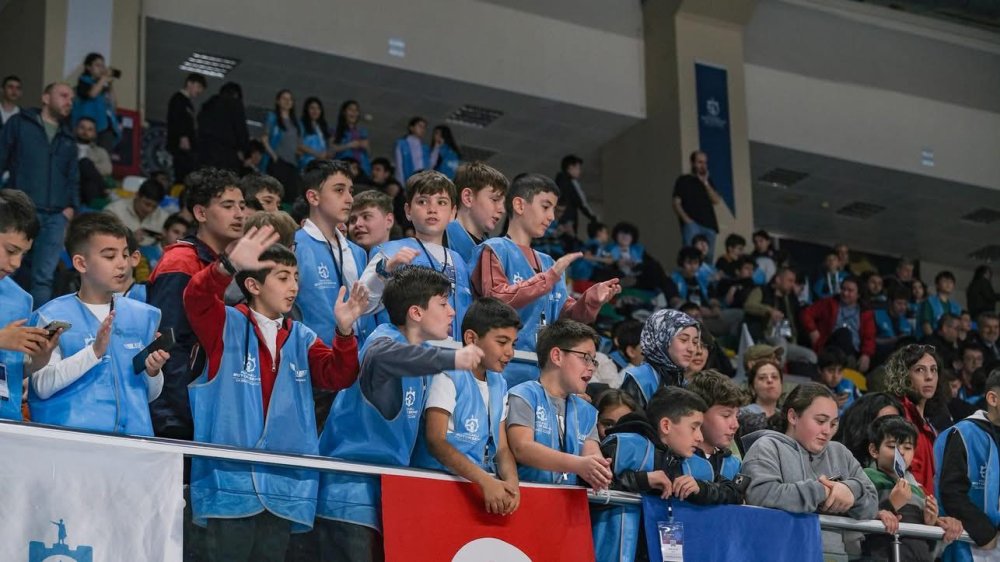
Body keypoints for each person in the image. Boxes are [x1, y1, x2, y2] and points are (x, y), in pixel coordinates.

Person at [185, 224, 365, 561]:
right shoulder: (224, 323)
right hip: (229, 487)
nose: (294, 286)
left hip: (285, 490)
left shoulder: (302, 336)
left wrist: (344, 332)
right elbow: (196, 297)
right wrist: (226, 266)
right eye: (283, 277)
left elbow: (339, 375)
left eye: (296, 277)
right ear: (253, 285)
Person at [314, 266, 484, 562]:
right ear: (416, 312)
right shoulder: (382, 344)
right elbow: (387, 357)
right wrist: (454, 357)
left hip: (387, 499)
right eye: (443, 304)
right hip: (347, 501)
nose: (453, 312)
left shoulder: (421, 355)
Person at [471, 173, 620, 386]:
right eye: (545, 207)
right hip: (503, 368)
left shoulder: (549, 262)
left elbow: (565, 320)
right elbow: (495, 301)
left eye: (553, 209)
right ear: (519, 205)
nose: (551, 217)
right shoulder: (495, 249)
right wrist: (548, 278)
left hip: (544, 372)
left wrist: (591, 301)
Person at [28, 213, 167, 435]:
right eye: (110, 256)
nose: (122, 264)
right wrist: (93, 352)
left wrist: (153, 372)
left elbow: (148, 395)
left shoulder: (144, 316)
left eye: (125, 254)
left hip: (134, 442)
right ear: (81, 263)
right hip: (73, 443)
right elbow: (41, 386)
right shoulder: (51, 315)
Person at [147, 168, 246, 439]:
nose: (239, 214)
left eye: (242, 206)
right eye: (228, 206)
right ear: (201, 213)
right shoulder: (181, 262)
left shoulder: (220, 262)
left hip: (205, 403)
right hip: (178, 415)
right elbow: (168, 344)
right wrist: (180, 417)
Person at [594, 386, 745, 562]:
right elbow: (585, 484)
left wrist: (702, 488)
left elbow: (734, 492)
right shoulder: (622, 446)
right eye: (694, 428)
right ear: (666, 425)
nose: (700, 437)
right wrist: (643, 480)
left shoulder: (697, 464)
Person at [411, 297, 521, 515]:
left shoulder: (499, 383)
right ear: (471, 338)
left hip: (474, 489)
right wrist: (485, 481)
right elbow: (435, 440)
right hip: (434, 487)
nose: (510, 352)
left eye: (514, 344)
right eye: (502, 342)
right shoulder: (448, 373)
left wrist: (512, 484)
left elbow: (502, 448)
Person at [741, 383, 878, 553]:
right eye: (820, 421)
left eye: (833, 423)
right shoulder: (766, 447)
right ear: (793, 417)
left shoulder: (840, 453)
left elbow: (872, 505)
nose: (827, 431)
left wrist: (851, 490)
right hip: (780, 553)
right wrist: (824, 492)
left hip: (837, 555)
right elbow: (760, 496)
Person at [359, 170, 472, 338]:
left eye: (441, 202)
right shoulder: (390, 253)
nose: (432, 209)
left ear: (453, 213)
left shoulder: (460, 262)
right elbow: (362, 305)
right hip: (404, 350)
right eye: (422, 201)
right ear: (408, 211)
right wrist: (386, 270)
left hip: (453, 352)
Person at [505, 319, 609, 486]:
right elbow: (522, 448)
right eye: (586, 358)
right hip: (527, 494)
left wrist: (600, 470)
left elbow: (591, 454)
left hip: (567, 498)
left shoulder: (587, 411)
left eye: (593, 361)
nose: (591, 367)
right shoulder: (523, 395)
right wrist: (578, 464)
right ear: (557, 356)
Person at [0, 82, 77, 305]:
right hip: (19, 211)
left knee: (43, 279)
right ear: (45, 97)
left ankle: (34, 325)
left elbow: (73, 176)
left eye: (71, 99)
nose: (69, 102)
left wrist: (71, 207)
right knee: (7, 270)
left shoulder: (68, 136)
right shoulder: (19, 123)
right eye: (63, 95)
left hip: (55, 216)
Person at [294, 160, 373, 345]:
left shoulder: (358, 252)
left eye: (350, 191)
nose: (350, 199)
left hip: (357, 352)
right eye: (339, 190)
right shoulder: (295, 247)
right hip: (313, 354)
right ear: (313, 197)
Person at [864, 416, 963, 561]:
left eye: (907, 448)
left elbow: (928, 547)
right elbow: (858, 520)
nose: (901, 452)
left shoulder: (919, 491)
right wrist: (890, 505)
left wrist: (931, 524)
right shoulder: (865, 478)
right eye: (892, 446)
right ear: (874, 450)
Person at [936, 368, 1000, 560]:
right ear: (993, 399)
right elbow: (951, 491)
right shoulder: (964, 433)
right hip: (971, 545)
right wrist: (984, 532)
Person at [0, 190, 47, 420]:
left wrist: (38, 360)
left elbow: (14, 370)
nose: (17, 263)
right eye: (11, 250)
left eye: (23, 254)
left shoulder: (22, 300)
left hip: (9, 422)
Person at [883, 344, 947, 492]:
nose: (929, 377)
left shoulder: (930, 422)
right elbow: (892, 470)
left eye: (933, 370)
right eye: (920, 370)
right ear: (903, 375)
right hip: (905, 502)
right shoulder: (895, 414)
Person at [620, 309, 700, 410]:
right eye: (684, 340)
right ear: (663, 339)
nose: (692, 349)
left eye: (695, 342)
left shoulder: (681, 380)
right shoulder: (639, 378)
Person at [801, 277, 876, 372]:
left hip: (854, 351)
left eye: (850, 291)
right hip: (830, 347)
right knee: (844, 333)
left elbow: (869, 336)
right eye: (843, 289)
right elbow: (806, 313)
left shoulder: (865, 313)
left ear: (858, 294)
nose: (845, 293)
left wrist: (866, 355)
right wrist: (812, 330)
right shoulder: (829, 303)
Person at [743, 267, 816, 365]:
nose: (792, 285)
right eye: (789, 281)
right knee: (781, 343)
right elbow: (749, 305)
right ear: (778, 280)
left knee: (811, 356)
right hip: (766, 337)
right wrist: (769, 311)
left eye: (793, 281)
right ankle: (775, 371)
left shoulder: (791, 298)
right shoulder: (762, 291)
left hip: (787, 341)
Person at [686, 370, 747, 480]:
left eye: (737, 416)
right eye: (726, 415)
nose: (735, 425)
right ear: (698, 413)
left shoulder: (734, 466)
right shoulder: (678, 462)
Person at [444, 161, 507, 265]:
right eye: (495, 200)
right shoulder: (439, 240)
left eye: (503, 203)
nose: (502, 210)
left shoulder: (493, 250)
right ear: (468, 198)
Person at [672, 150, 720, 258]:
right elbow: (676, 203)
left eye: (705, 163)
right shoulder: (683, 180)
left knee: (708, 256)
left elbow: (716, 200)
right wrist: (687, 220)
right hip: (692, 224)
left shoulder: (708, 181)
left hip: (710, 224)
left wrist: (705, 183)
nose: (703, 166)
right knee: (690, 255)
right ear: (693, 163)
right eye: (700, 162)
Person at [833, 392, 903, 466]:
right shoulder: (838, 458)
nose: (891, 429)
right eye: (883, 422)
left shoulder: (899, 459)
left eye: (895, 422)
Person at [261, 89, 302, 204]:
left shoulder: (295, 122)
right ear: (278, 101)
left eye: (290, 99)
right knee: (275, 192)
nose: (287, 101)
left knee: (291, 194)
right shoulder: (273, 117)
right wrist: (274, 156)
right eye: (284, 98)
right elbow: (264, 138)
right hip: (278, 161)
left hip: (292, 163)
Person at [198, 82, 250, 173]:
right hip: (226, 153)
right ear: (237, 94)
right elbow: (241, 130)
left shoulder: (208, 104)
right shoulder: (236, 104)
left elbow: (200, 123)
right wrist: (244, 151)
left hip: (206, 150)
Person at [71, 53, 119, 151]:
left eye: (103, 66)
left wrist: (110, 86)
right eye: (98, 65)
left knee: (102, 156)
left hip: (104, 128)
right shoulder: (83, 81)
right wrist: (104, 78)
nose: (102, 69)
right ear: (88, 67)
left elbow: (113, 105)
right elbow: (92, 94)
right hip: (85, 127)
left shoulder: (102, 85)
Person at [104, 179, 170, 247]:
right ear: (137, 195)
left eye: (154, 207)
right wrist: (129, 240)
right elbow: (103, 241)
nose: (149, 210)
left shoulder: (165, 218)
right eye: (147, 204)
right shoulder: (114, 211)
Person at [166, 73, 206, 183]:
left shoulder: (188, 103)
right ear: (189, 83)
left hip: (187, 146)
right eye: (198, 86)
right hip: (181, 145)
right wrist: (183, 137)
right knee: (182, 174)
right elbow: (178, 119)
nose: (199, 91)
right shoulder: (178, 99)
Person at [554, 155, 597, 237]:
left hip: (558, 223)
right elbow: (582, 203)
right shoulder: (572, 182)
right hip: (569, 222)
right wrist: (592, 217)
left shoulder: (557, 181)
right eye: (578, 168)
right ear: (570, 167)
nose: (580, 171)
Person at [330, 100, 371, 176]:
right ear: (344, 112)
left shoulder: (362, 132)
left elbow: (368, 154)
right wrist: (349, 145)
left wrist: (365, 146)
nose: (354, 113)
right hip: (343, 168)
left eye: (356, 110)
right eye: (350, 110)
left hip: (362, 169)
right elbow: (331, 150)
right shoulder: (335, 131)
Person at [920, 271, 962, 337]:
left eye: (951, 282)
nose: (948, 284)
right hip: (934, 338)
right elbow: (926, 324)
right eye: (945, 281)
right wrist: (932, 340)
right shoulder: (929, 301)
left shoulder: (956, 307)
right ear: (937, 285)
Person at [817, 348, 859, 414]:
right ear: (819, 370)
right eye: (831, 370)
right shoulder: (812, 391)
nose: (836, 376)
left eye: (840, 371)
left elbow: (863, 406)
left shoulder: (850, 385)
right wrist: (830, 405)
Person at [393, 116, 429, 185]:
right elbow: (399, 165)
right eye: (420, 126)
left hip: (421, 182)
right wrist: (401, 184)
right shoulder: (401, 144)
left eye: (424, 127)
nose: (422, 129)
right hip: (406, 181)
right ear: (411, 128)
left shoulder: (425, 148)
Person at [298, 97, 329, 170]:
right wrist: (317, 154)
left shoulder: (321, 127)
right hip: (307, 164)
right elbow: (298, 144)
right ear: (307, 110)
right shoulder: (301, 125)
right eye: (312, 108)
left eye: (318, 108)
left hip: (321, 165)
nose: (315, 111)